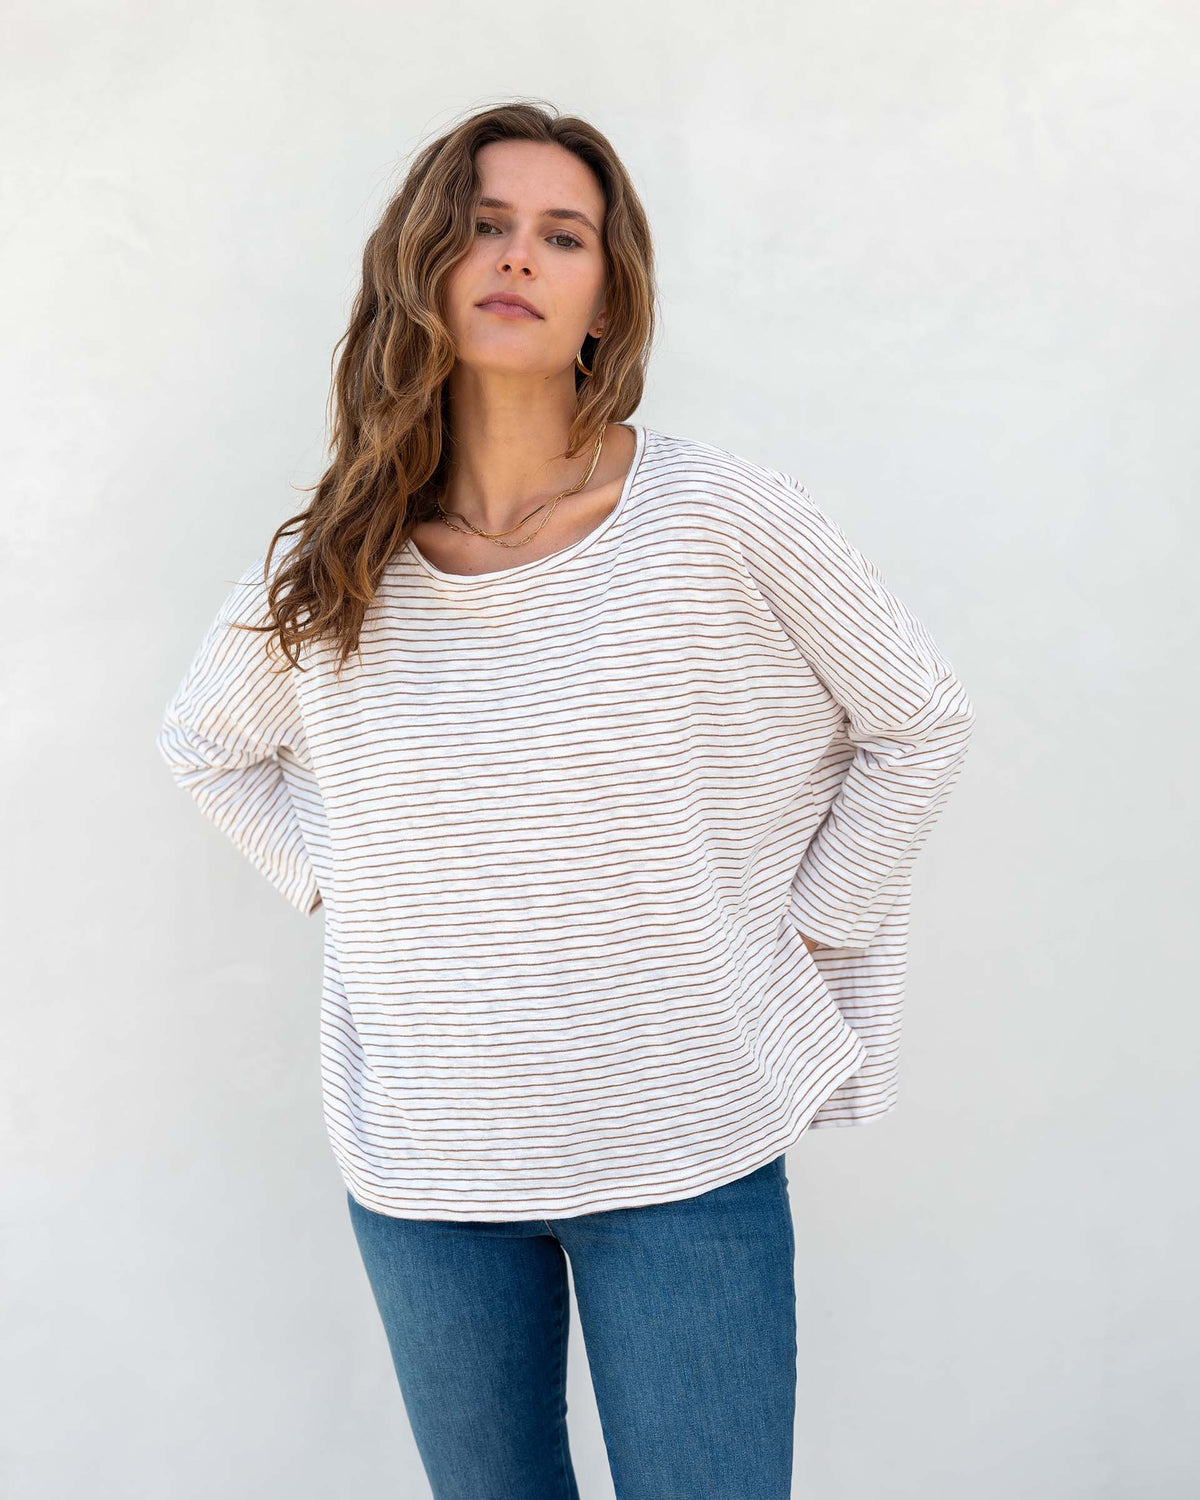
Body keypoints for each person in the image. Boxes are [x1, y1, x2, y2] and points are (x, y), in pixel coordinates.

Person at [156, 101, 976, 1500]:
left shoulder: (718, 515)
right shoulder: (338, 554)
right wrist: (363, 887)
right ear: (425, 263)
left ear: (608, 295)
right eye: (484, 225)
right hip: (428, 1169)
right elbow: (206, 744)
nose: (517, 257)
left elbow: (920, 719)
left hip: (680, 1148)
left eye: (561, 234)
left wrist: (814, 931)